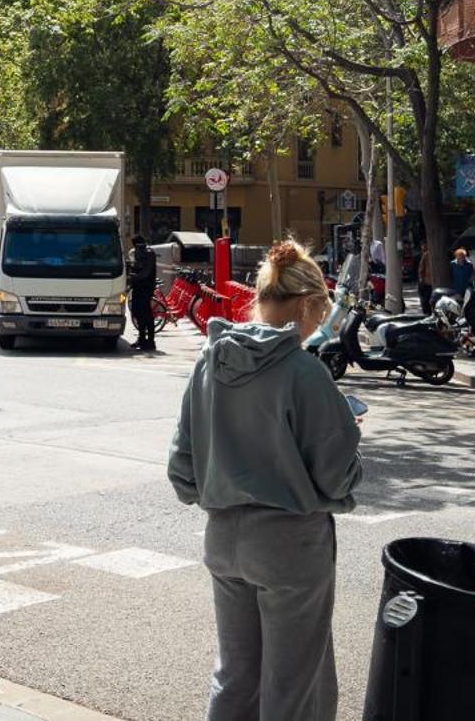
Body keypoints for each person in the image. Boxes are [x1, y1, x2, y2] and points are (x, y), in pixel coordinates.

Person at [169, 239, 362, 721]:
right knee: (294, 689)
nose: (320, 322)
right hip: (289, 546)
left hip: (222, 537)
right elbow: (338, 479)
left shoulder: (209, 362)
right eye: (321, 311)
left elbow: (181, 471)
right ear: (307, 305)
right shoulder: (305, 372)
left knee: (235, 677)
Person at [128, 233, 159, 352]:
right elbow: (137, 267)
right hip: (138, 287)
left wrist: (133, 277)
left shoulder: (149, 252)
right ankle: (141, 338)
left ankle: (150, 341)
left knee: (146, 314)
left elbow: (146, 272)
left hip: (146, 287)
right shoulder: (139, 252)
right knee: (137, 313)